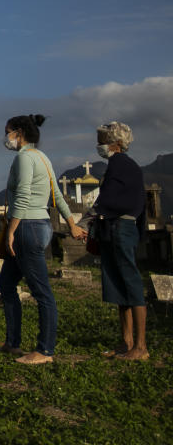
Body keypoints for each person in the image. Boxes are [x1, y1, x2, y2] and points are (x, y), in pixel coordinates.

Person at [0, 114, 86, 365]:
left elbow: (24, 195)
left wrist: (11, 230)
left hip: (28, 226)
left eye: (7, 132)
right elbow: (57, 194)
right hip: (39, 224)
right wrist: (72, 224)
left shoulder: (25, 158)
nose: (6, 138)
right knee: (5, 282)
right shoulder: (43, 158)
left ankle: (45, 350)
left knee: (42, 292)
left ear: (19, 133)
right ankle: (12, 342)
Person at [92, 121, 148, 361]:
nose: (100, 146)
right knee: (119, 284)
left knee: (131, 284)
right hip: (121, 226)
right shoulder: (130, 166)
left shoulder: (118, 164)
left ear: (115, 143)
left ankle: (140, 346)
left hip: (119, 226)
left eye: (102, 140)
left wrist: (94, 212)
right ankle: (126, 341)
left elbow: (111, 198)